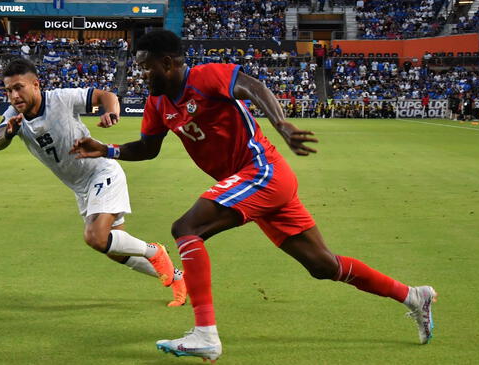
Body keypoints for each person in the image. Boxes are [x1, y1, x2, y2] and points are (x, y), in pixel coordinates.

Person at [70, 30, 437, 362]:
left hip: (262, 172)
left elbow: (253, 86)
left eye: (145, 67)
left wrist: (281, 124)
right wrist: (106, 149)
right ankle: (413, 296)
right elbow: (148, 148)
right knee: (324, 266)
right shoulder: (158, 104)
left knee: (187, 228)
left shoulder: (204, 77)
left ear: (166, 63)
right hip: (252, 187)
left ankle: (205, 334)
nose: (140, 75)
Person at [0, 58, 187, 307]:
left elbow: (105, 95)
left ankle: (155, 251)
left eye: (19, 87)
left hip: (101, 173)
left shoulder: (60, 99)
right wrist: (7, 133)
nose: (13, 95)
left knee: (95, 237)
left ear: (36, 85)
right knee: (114, 250)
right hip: (81, 188)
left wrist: (111, 112)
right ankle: (177, 278)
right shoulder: (13, 115)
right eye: (8, 90)